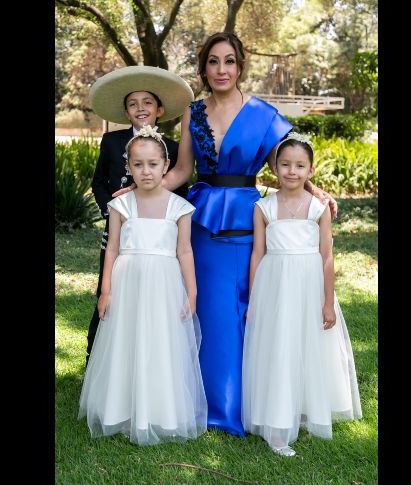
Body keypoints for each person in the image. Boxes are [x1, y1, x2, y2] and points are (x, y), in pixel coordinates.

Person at [113, 32, 337, 437]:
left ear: (240, 66)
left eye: (229, 61)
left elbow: (286, 167)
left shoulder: (264, 115)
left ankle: (248, 403)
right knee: (206, 310)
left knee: (248, 309)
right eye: (213, 62)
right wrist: (139, 188)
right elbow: (181, 172)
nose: (221, 70)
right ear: (204, 68)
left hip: (249, 221)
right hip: (201, 220)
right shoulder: (192, 113)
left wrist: (317, 191)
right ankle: (204, 402)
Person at [78, 125, 207, 446]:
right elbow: (112, 248)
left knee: (161, 341)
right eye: (138, 164)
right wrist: (106, 289)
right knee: (127, 340)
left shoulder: (180, 207)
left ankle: (161, 410)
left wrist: (191, 291)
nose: (146, 171)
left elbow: (185, 251)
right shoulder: (121, 205)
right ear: (128, 167)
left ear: (166, 165)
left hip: (164, 283)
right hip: (128, 282)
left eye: (153, 164)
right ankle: (122, 408)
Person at [242, 132, 362, 457]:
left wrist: (327, 301)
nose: (291, 171)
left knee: (309, 345)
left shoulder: (318, 208)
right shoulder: (263, 207)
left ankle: (307, 409)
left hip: (309, 283)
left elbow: (326, 255)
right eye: (285, 164)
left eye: (299, 165)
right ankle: (278, 424)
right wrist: (254, 298)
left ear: (310, 171)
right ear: (275, 168)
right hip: (275, 284)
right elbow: (257, 253)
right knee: (280, 345)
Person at [85, 66, 193, 365]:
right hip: (120, 228)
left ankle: (155, 359)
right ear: (126, 111)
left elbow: (180, 191)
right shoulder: (112, 142)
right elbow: (99, 182)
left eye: (147, 102)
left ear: (159, 109)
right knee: (108, 289)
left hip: (154, 235)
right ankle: (97, 357)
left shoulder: (171, 149)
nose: (140, 108)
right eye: (133, 104)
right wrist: (113, 211)